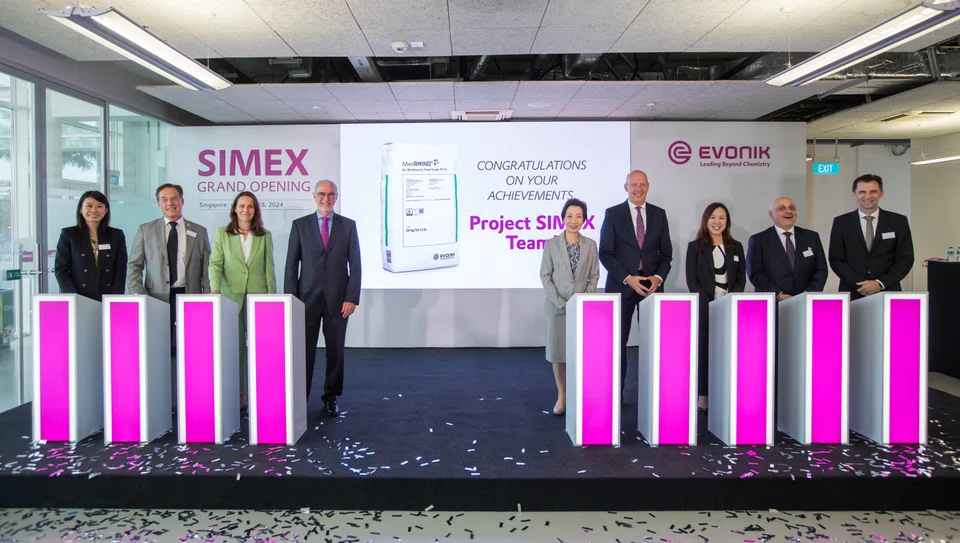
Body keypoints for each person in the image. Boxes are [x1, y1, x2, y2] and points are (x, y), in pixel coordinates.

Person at [285, 180, 361, 418]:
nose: (326, 198)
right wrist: (291, 300)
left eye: (330, 194)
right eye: (321, 194)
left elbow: (356, 265)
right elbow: (291, 266)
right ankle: (300, 398)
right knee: (303, 351)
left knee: (335, 352)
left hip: (339, 301)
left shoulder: (348, 226)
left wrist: (352, 298)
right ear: (313, 196)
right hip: (306, 300)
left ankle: (331, 397)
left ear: (336, 197)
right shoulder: (300, 225)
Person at [599, 170, 673, 399]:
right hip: (622, 288)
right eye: (634, 185)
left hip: (651, 289)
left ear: (648, 187)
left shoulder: (659, 215)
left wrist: (657, 278)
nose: (638, 188)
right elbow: (606, 253)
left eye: (642, 184)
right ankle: (615, 395)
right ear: (626, 187)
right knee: (617, 344)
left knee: (654, 345)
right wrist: (628, 278)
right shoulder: (613, 214)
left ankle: (653, 395)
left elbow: (666, 254)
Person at [209, 191, 277, 411]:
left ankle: (261, 391)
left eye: (250, 206)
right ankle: (238, 394)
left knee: (261, 349)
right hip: (231, 298)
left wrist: (272, 300)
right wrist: (215, 290)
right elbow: (215, 264)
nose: (246, 210)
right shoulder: (223, 234)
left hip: (259, 298)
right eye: (242, 206)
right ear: (235, 209)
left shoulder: (264, 235)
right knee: (235, 349)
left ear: (255, 210)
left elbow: (269, 269)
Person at [127, 183, 212, 352]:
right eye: (164, 199)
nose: (170, 203)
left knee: (191, 346)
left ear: (182, 201)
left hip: (190, 294)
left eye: (174, 198)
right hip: (156, 296)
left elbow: (206, 268)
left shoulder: (199, 231)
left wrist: (207, 297)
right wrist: (139, 295)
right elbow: (134, 266)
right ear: (158, 204)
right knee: (158, 346)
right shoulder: (146, 230)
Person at [540, 198, 600, 416]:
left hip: (582, 310)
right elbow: (545, 276)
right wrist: (562, 303)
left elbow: (594, 275)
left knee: (581, 355)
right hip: (557, 309)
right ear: (563, 218)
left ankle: (580, 396)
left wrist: (585, 301)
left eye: (579, 216)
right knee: (558, 355)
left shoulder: (591, 245)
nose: (574, 221)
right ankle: (562, 396)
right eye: (570, 216)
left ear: (584, 219)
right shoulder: (551, 244)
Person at [685, 203, 745, 413]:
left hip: (730, 308)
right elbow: (692, 281)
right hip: (705, 308)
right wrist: (709, 304)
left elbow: (740, 278)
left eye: (721, 218)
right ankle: (703, 395)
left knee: (728, 352)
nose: (717, 222)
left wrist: (730, 301)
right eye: (713, 217)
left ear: (726, 221)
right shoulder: (695, 247)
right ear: (706, 220)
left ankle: (726, 393)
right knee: (705, 352)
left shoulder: (735, 246)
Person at [829, 174, 914, 301]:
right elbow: (836, 259)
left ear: (881, 193)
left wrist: (880, 283)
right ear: (854, 194)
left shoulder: (898, 221)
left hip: (888, 290)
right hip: (853, 291)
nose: (868, 196)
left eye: (873, 191)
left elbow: (905, 258)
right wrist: (862, 284)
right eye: (862, 192)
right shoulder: (841, 222)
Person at [747, 197, 827, 300]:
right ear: (771, 214)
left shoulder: (811, 237)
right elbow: (755, 273)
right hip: (772, 303)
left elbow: (821, 270)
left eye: (792, 208)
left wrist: (808, 294)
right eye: (782, 208)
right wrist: (778, 294)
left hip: (805, 302)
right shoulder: (758, 240)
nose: (788, 211)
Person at [54, 190, 127, 302]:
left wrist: (116, 298)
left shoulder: (116, 235)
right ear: (80, 209)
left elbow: (120, 269)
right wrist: (74, 296)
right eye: (89, 206)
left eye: (99, 206)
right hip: (79, 296)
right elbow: (61, 269)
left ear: (105, 210)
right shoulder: (69, 234)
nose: (94, 210)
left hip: (108, 296)